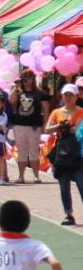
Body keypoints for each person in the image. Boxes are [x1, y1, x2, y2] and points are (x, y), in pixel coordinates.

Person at [46, 84, 83, 224]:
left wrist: (64, 127)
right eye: (66, 94)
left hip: (76, 151)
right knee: (64, 185)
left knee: (81, 183)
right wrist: (61, 126)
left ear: (76, 96)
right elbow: (48, 128)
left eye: (71, 94)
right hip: (61, 151)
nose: (68, 97)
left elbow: (78, 129)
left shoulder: (80, 111)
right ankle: (68, 214)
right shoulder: (56, 112)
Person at [8, 68, 49, 184]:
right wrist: (16, 86)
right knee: (21, 151)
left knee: (34, 150)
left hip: (34, 125)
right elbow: (11, 100)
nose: (26, 79)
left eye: (28, 77)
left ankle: (36, 176)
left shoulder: (40, 93)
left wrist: (45, 123)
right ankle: (21, 176)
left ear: (33, 78)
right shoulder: (18, 91)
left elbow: (45, 108)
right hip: (19, 124)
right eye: (24, 77)